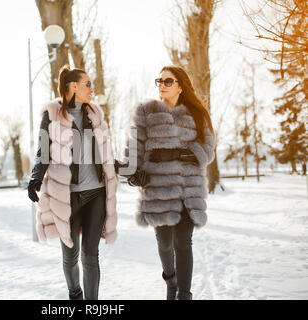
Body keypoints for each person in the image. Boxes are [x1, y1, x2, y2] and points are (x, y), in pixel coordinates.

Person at [123, 65, 216, 300]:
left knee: (183, 242)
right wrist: (133, 172)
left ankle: (185, 294)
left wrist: (186, 154)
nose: (162, 85)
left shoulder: (196, 114)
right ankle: (171, 280)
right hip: (157, 186)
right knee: (165, 243)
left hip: (187, 187)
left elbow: (208, 148)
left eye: (168, 81)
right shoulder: (146, 112)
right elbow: (134, 145)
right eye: (159, 81)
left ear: (180, 86)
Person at [27, 65, 118, 300]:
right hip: (67, 196)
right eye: (87, 84)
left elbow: (104, 153)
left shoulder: (95, 114)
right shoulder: (53, 114)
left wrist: (126, 168)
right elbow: (43, 150)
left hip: (96, 193)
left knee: (90, 254)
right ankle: (75, 295)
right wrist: (36, 177)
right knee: (70, 254)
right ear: (73, 86)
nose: (91, 88)